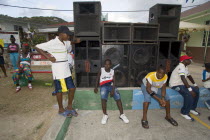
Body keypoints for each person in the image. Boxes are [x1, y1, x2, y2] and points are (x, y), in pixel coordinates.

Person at [35, 26, 80, 117]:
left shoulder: (66, 42)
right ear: (61, 34)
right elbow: (37, 47)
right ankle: (60, 109)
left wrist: (77, 40)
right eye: (67, 34)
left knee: (72, 88)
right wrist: (48, 57)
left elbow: (72, 41)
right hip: (58, 70)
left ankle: (69, 107)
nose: (68, 36)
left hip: (66, 70)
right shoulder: (52, 43)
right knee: (59, 91)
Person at [94, 59, 129, 124]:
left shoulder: (112, 71)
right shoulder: (101, 70)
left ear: (110, 65)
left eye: (108, 64)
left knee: (118, 98)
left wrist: (113, 90)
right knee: (103, 99)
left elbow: (114, 81)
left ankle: (122, 115)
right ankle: (105, 115)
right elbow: (97, 78)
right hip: (103, 86)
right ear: (104, 64)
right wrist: (96, 87)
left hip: (111, 86)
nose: (107, 65)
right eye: (105, 64)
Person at [169, 55, 200, 121]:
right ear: (184, 61)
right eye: (188, 59)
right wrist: (190, 89)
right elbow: (183, 78)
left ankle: (192, 108)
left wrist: (195, 84)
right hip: (175, 85)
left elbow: (189, 76)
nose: (190, 61)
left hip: (182, 84)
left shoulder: (185, 67)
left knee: (197, 91)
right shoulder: (181, 66)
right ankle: (184, 112)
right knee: (188, 94)